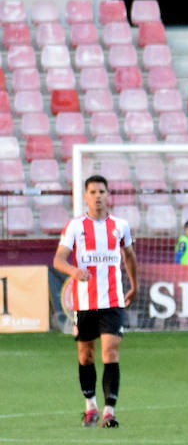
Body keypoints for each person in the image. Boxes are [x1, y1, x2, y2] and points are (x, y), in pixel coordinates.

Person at [52, 174, 138, 428]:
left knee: (110, 351)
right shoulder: (75, 226)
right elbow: (58, 259)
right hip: (84, 302)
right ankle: (90, 406)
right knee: (85, 355)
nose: (98, 196)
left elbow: (129, 256)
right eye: (93, 192)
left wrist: (135, 284)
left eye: (102, 191)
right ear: (85, 196)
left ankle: (110, 410)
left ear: (108, 194)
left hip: (112, 300)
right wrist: (74, 271)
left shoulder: (120, 226)